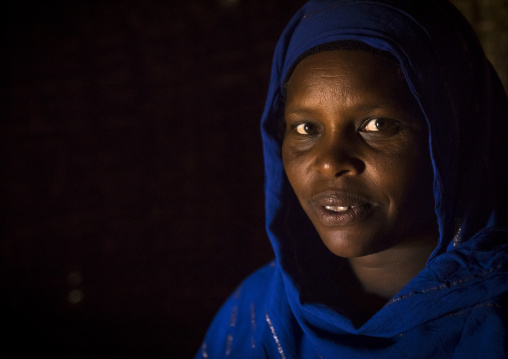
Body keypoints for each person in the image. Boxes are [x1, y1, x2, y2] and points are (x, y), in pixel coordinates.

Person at [196, 0, 508, 357]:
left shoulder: (495, 326)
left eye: (377, 126)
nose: (329, 162)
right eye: (306, 127)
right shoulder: (252, 316)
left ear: (457, 135)